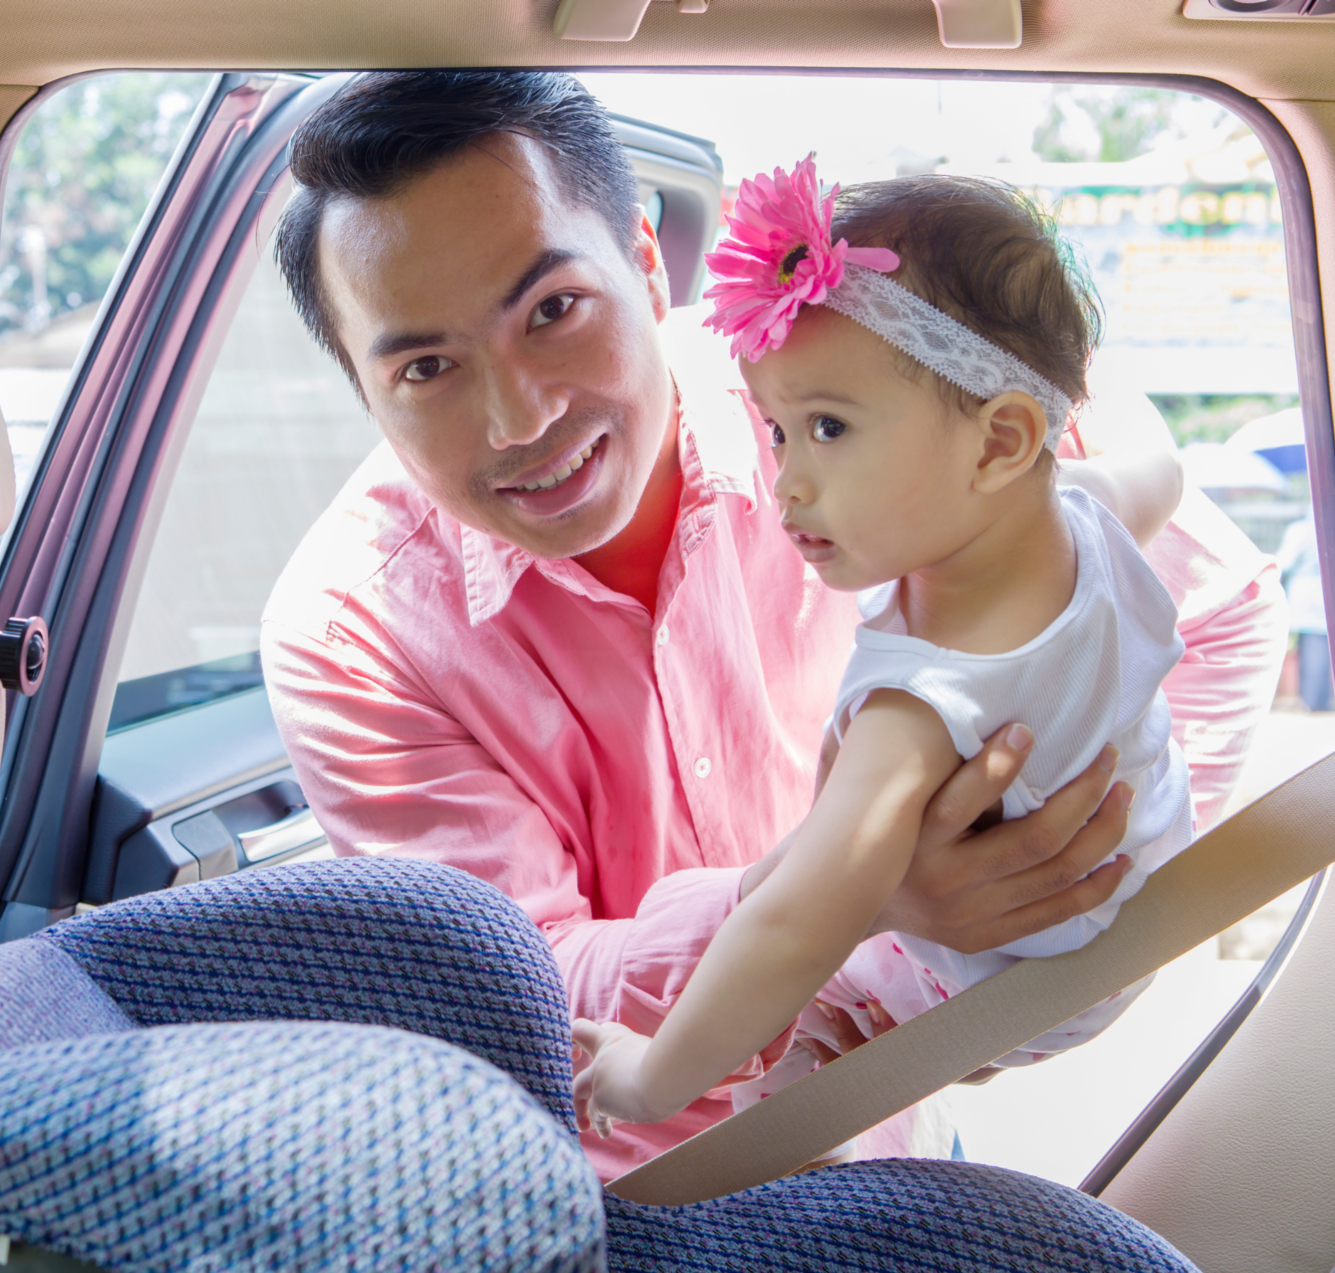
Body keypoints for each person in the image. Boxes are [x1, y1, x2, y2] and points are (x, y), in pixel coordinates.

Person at [259, 70, 1280, 1181]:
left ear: (649, 266)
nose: (524, 415)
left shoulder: (856, 379)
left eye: (554, 311)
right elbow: (519, 984)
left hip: (896, 1132)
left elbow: (1219, 606)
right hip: (620, 1200)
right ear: (363, 391)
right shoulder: (348, 629)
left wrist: (1074, 907)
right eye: (426, 368)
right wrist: (861, 893)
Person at [570, 163, 1192, 1133]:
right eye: (777, 432)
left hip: (1009, 983)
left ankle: (796, 1137)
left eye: (828, 427)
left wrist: (653, 1078)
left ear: (999, 442)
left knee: (797, 976)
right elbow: (1164, 464)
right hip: (1138, 918)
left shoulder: (919, 706)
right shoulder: (1093, 515)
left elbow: (792, 927)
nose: (787, 484)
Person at [1277, 514, 1329, 711]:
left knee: (1311, 647)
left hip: (1307, 593)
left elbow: (1285, 562)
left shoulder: (1300, 529)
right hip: (1326, 592)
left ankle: (1312, 700)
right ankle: (1321, 698)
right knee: (1324, 646)